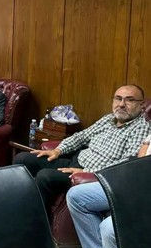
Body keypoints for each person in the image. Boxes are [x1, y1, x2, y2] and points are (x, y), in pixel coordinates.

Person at [14, 84, 150, 205]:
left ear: (142, 105)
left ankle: (35, 219)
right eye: (118, 98)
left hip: (91, 173)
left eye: (129, 100)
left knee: (45, 176)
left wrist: (87, 172)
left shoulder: (141, 127)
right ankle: (17, 203)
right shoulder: (108, 119)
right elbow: (82, 136)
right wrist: (58, 150)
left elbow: (126, 164)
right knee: (23, 158)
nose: (121, 104)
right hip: (76, 160)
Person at [67, 133, 151, 248]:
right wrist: (140, 170)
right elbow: (145, 147)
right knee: (76, 196)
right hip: (136, 182)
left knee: (109, 228)